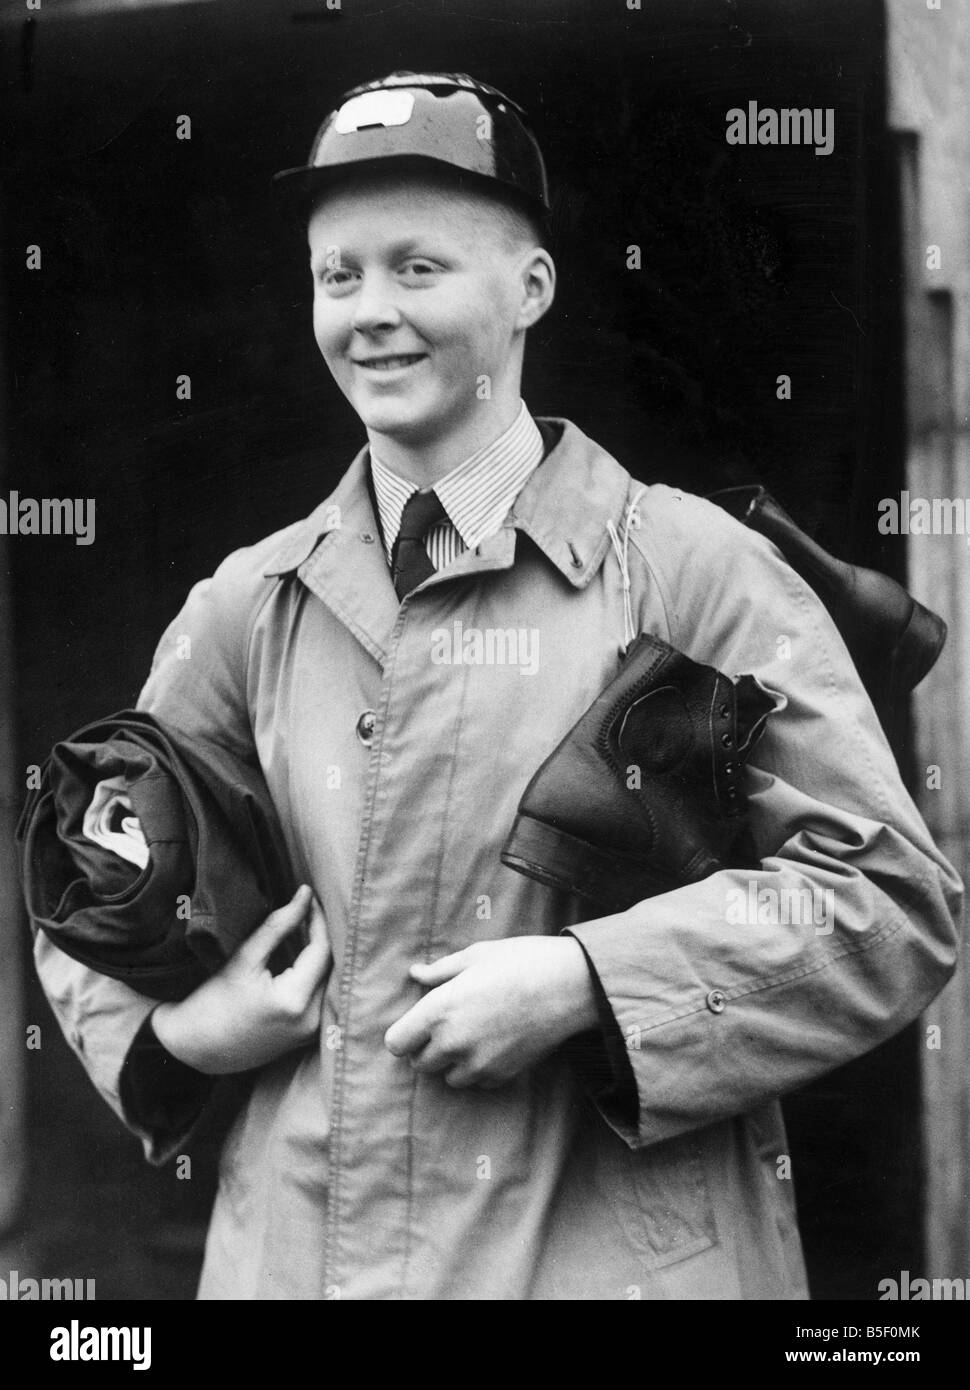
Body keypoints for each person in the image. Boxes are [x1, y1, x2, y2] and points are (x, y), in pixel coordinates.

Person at [34, 70, 961, 1301]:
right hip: (295, 1259)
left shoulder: (692, 570)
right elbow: (91, 881)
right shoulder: (249, 605)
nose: (370, 312)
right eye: (338, 274)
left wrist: (588, 980)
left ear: (531, 289)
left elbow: (889, 898)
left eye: (418, 268)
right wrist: (189, 1036)